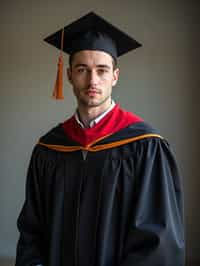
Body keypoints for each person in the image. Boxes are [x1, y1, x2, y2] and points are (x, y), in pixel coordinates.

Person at [15, 12, 185, 266]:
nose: (93, 80)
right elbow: (32, 230)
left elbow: (158, 242)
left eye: (102, 70)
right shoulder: (49, 148)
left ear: (115, 76)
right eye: (82, 69)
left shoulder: (145, 146)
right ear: (70, 74)